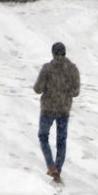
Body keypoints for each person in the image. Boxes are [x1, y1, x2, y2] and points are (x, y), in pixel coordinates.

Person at [33, 42, 80, 183]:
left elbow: (38, 89)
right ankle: (58, 170)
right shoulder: (73, 69)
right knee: (61, 140)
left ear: (53, 53)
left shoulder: (47, 69)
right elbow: (76, 92)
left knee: (43, 136)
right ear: (65, 53)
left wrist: (51, 90)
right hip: (64, 109)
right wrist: (64, 93)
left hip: (48, 108)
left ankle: (51, 165)